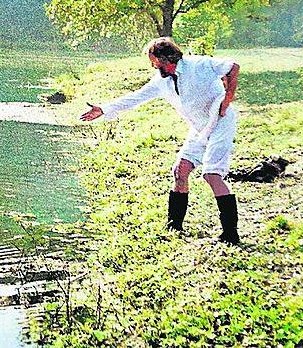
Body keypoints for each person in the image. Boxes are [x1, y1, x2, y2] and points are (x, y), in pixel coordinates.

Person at [80, 37, 241, 244]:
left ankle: (230, 235)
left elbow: (232, 66)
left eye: (153, 61)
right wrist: (103, 109)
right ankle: (174, 227)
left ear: (164, 58)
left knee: (211, 175)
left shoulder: (198, 65)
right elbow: (135, 97)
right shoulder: (161, 81)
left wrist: (227, 99)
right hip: (199, 128)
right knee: (180, 171)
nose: (152, 65)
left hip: (220, 122)